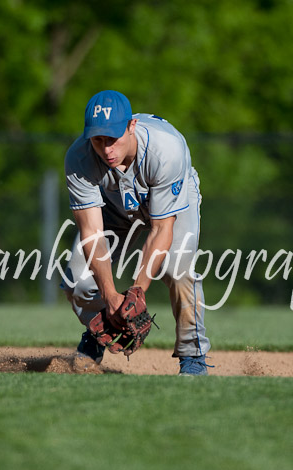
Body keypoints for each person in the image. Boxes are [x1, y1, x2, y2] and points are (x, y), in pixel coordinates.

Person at [61, 90, 212, 374]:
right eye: (98, 140)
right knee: (77, 281)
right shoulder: (79, 158)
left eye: (113, 139)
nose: (106, 149)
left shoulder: (166, 149)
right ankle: (100, 330)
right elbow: (92, 233)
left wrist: (137, 291)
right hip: (114, 207)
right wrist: (110, 296)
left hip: (170, 201)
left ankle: (193, 355)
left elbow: (161, 229)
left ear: (131, 127)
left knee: (178, 269)